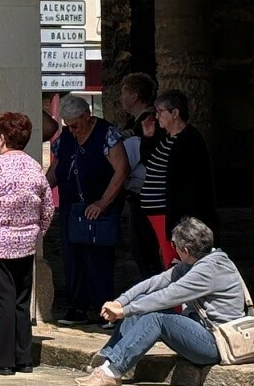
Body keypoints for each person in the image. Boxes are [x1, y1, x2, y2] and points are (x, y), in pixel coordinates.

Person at [75, 217, 249, 386]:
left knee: (156, 317)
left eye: (175, 246)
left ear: (186, 250)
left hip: (216, 343)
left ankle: (112, 372)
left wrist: (125, 311)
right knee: (141, 300)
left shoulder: (208, 269)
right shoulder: (195, 262)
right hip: (201, 331)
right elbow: (156, 282)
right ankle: (106, 362)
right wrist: (120, 302)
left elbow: (167, 296)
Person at [0, 111, 53, 376]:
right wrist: (38, 231)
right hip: (26, 244)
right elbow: (48, 206)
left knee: (4, 301)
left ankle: (3, 361)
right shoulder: (34, 167)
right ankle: (23, 358)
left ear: (3, 137)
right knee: (20, 301)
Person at [47, 93, 127, 327]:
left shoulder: (107, 134)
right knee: (73, 256)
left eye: (76, 125)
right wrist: (40, 190)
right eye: (68, 126)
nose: (73, 130)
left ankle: (105, 309)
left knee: (98, 259)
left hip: (99, 207)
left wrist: (102, 202)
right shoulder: (66, 138)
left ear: (87, 116)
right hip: (73, 208)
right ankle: (78, 308)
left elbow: (121, 169)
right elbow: (57, 168)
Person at [140, 88, 220, 268]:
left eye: (160, 112)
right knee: (166, 259)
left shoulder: (189, 140)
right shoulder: (167, 138)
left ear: (175, 113)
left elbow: (191, 183)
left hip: (172, 216)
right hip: (158, 215)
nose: (157, 117)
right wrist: (148, 137)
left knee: (176, 264)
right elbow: (150, 163)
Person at [117, 73, 163, 279]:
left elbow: (146, 151)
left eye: (123, 92)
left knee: (144, 246)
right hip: (139, 194)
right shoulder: (135, 122)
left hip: (146, 193)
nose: (120, 97)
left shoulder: (148, 122)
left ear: (135, 95)